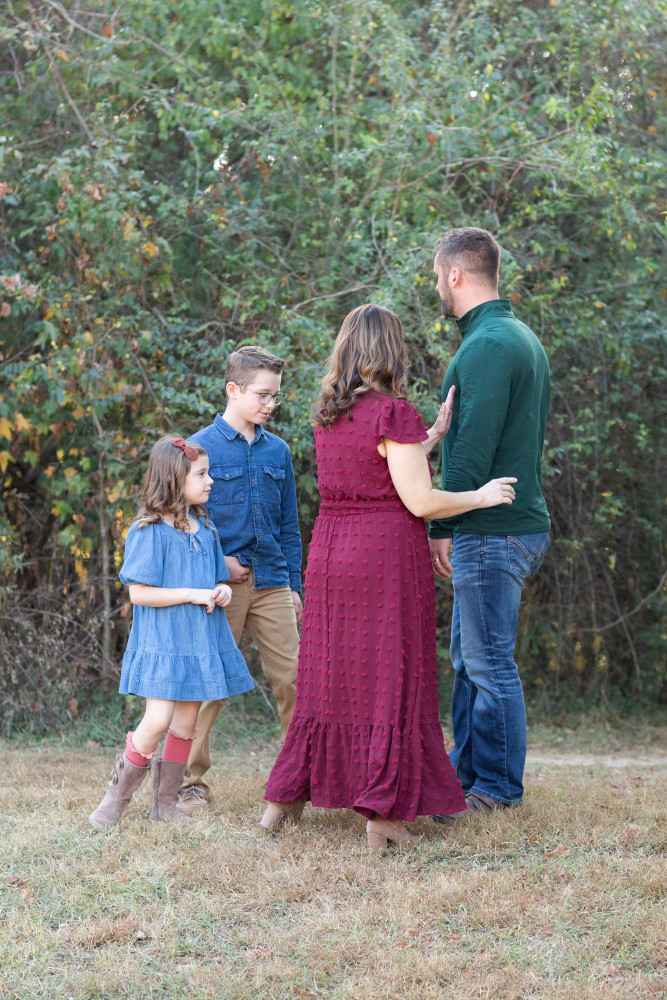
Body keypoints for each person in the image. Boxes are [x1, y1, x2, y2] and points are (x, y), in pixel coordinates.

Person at [259, 304, 517, 850]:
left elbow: (378, 465)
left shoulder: (330, 414)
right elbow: (418, 499)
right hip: (383, 558)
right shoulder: (393, 412)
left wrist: (432, 435)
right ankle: (384, 819)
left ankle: (281, 804)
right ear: (390, 350)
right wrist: (480, 495)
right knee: (391, 682)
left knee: (328, 679)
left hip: (332, 553)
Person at [428, 226, 551, 815]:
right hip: (502, 525)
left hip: (493, 530)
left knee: (488, 662)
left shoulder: (488, 346)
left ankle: (498, 790)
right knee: (469, 661)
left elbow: (472, 452)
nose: (437, 287)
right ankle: (466, 777)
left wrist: (441, 524)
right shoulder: (513, 335)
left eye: (437, 277)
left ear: (456, 274)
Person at [89, 436, 253, 830]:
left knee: (185, 724)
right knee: (158, 718)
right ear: (173, 480)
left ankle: (165, 806)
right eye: (201, 474)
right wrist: (193, 594)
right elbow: (139, 593)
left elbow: (215, 580)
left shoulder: (206, 529)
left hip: (198, 642)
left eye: (209, 473)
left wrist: (223, 590)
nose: (210, 481)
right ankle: (112, 803)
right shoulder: (148, 531)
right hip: (164, 642)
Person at [178, 346, 303, 814]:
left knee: (294, 679)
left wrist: (294, 585)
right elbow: (182, 522)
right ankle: (188, 783)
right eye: (262, 395)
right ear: (233, 389)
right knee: (209, 685)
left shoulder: (278, 451)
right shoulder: (198, 448)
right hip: (220, 587)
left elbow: (289, 525)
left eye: (276, 396)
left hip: (272, 581)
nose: (270, 404)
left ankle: (297, 782)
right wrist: (219, 562)